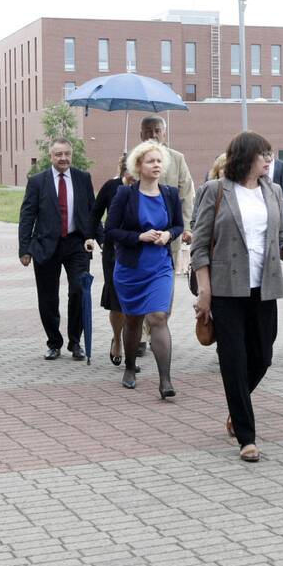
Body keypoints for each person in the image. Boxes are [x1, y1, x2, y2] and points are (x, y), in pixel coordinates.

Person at [191, 132, 283, 462]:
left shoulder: (273, 190)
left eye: (270, 154)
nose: (269, 159)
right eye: (263, 154)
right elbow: (199, 245)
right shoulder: (215, 190)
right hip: (225, 290)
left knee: (262, 357)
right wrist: (205, 292)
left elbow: (281, 242)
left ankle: (237, 411)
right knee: (234, 361)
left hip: (263, 288)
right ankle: (246, 437)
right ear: (244, 157)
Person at [104, 141, 183, 397]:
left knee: (157, 317)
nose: (156, 165)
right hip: (131, 268)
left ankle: (165, 380)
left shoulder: (170, 194)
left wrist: (167, 235)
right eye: (151, 161)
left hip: (160, 266)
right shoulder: (126, 194)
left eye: (159, 161)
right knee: (134, 319)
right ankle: (129, 367)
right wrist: (139, 237)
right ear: (138, 166)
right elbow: (111, 230)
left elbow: (179, 226)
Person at [18, 138, 99, 361]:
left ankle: (75, 341)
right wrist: (24, 249)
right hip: (46, 246)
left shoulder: (83, 178)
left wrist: (100, 238)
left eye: (66, 154)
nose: (63, 158)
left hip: (77, 244)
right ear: (51, 157)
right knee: (47, 298)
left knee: (79, 291)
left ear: (71, 155)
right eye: (58, 155)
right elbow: (27, 216)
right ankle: (54, 342)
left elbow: (93, 211)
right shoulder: (37, 181)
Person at [137, 116, 195, 357]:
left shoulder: (177, 159)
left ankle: (157, 327)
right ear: (141, 134)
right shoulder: (132, 158)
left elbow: (187, 194)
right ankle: (138, 335)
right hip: (138, 238)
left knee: (164, 288)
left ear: (164, 133)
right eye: (148, 131)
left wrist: (187, 226)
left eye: (157, 131)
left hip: (167, 237)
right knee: (139, 285)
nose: (153, 135)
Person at [92, 152, 137, 368]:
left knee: (135, 304)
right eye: (130, 168)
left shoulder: (146, 188)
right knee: (117, 302)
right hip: (113, 253)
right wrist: (101, 240)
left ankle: (131, 351)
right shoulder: (111, 187)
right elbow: (94, 216)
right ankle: (117, 339)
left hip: (140, 252)